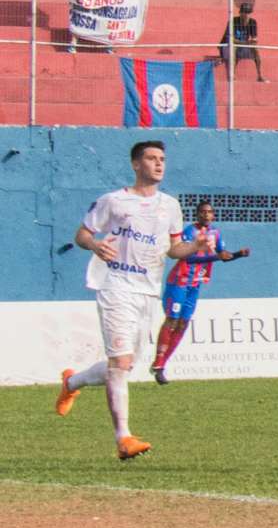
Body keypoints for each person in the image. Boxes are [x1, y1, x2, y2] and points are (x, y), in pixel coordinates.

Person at [56, 141, 212, 458]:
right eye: (151, 159)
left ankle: (72, 383)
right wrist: (96, 245)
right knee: (121, 362)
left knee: (125, 365)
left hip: (147, 290)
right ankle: (123, 438)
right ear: (135, 164)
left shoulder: (170, 206)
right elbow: (82, 235)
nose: (158, 164)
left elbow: (173, 249)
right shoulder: (113, 201)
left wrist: (195, 247)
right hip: (115, 285)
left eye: (162, 159)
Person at [150, 200, 247, 383]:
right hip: (180, 280)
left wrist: (237, 255)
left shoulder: (215, 233)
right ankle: (158, 363)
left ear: (213, 215)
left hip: (196, 283)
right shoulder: (189, 232)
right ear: (197, 214)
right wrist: (216, 257)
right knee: (172, 319)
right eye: (202, 212)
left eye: (209, 212)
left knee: (183, 324)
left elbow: (222, 256)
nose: (206, 215)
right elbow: (187, 257)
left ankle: (161, 365)